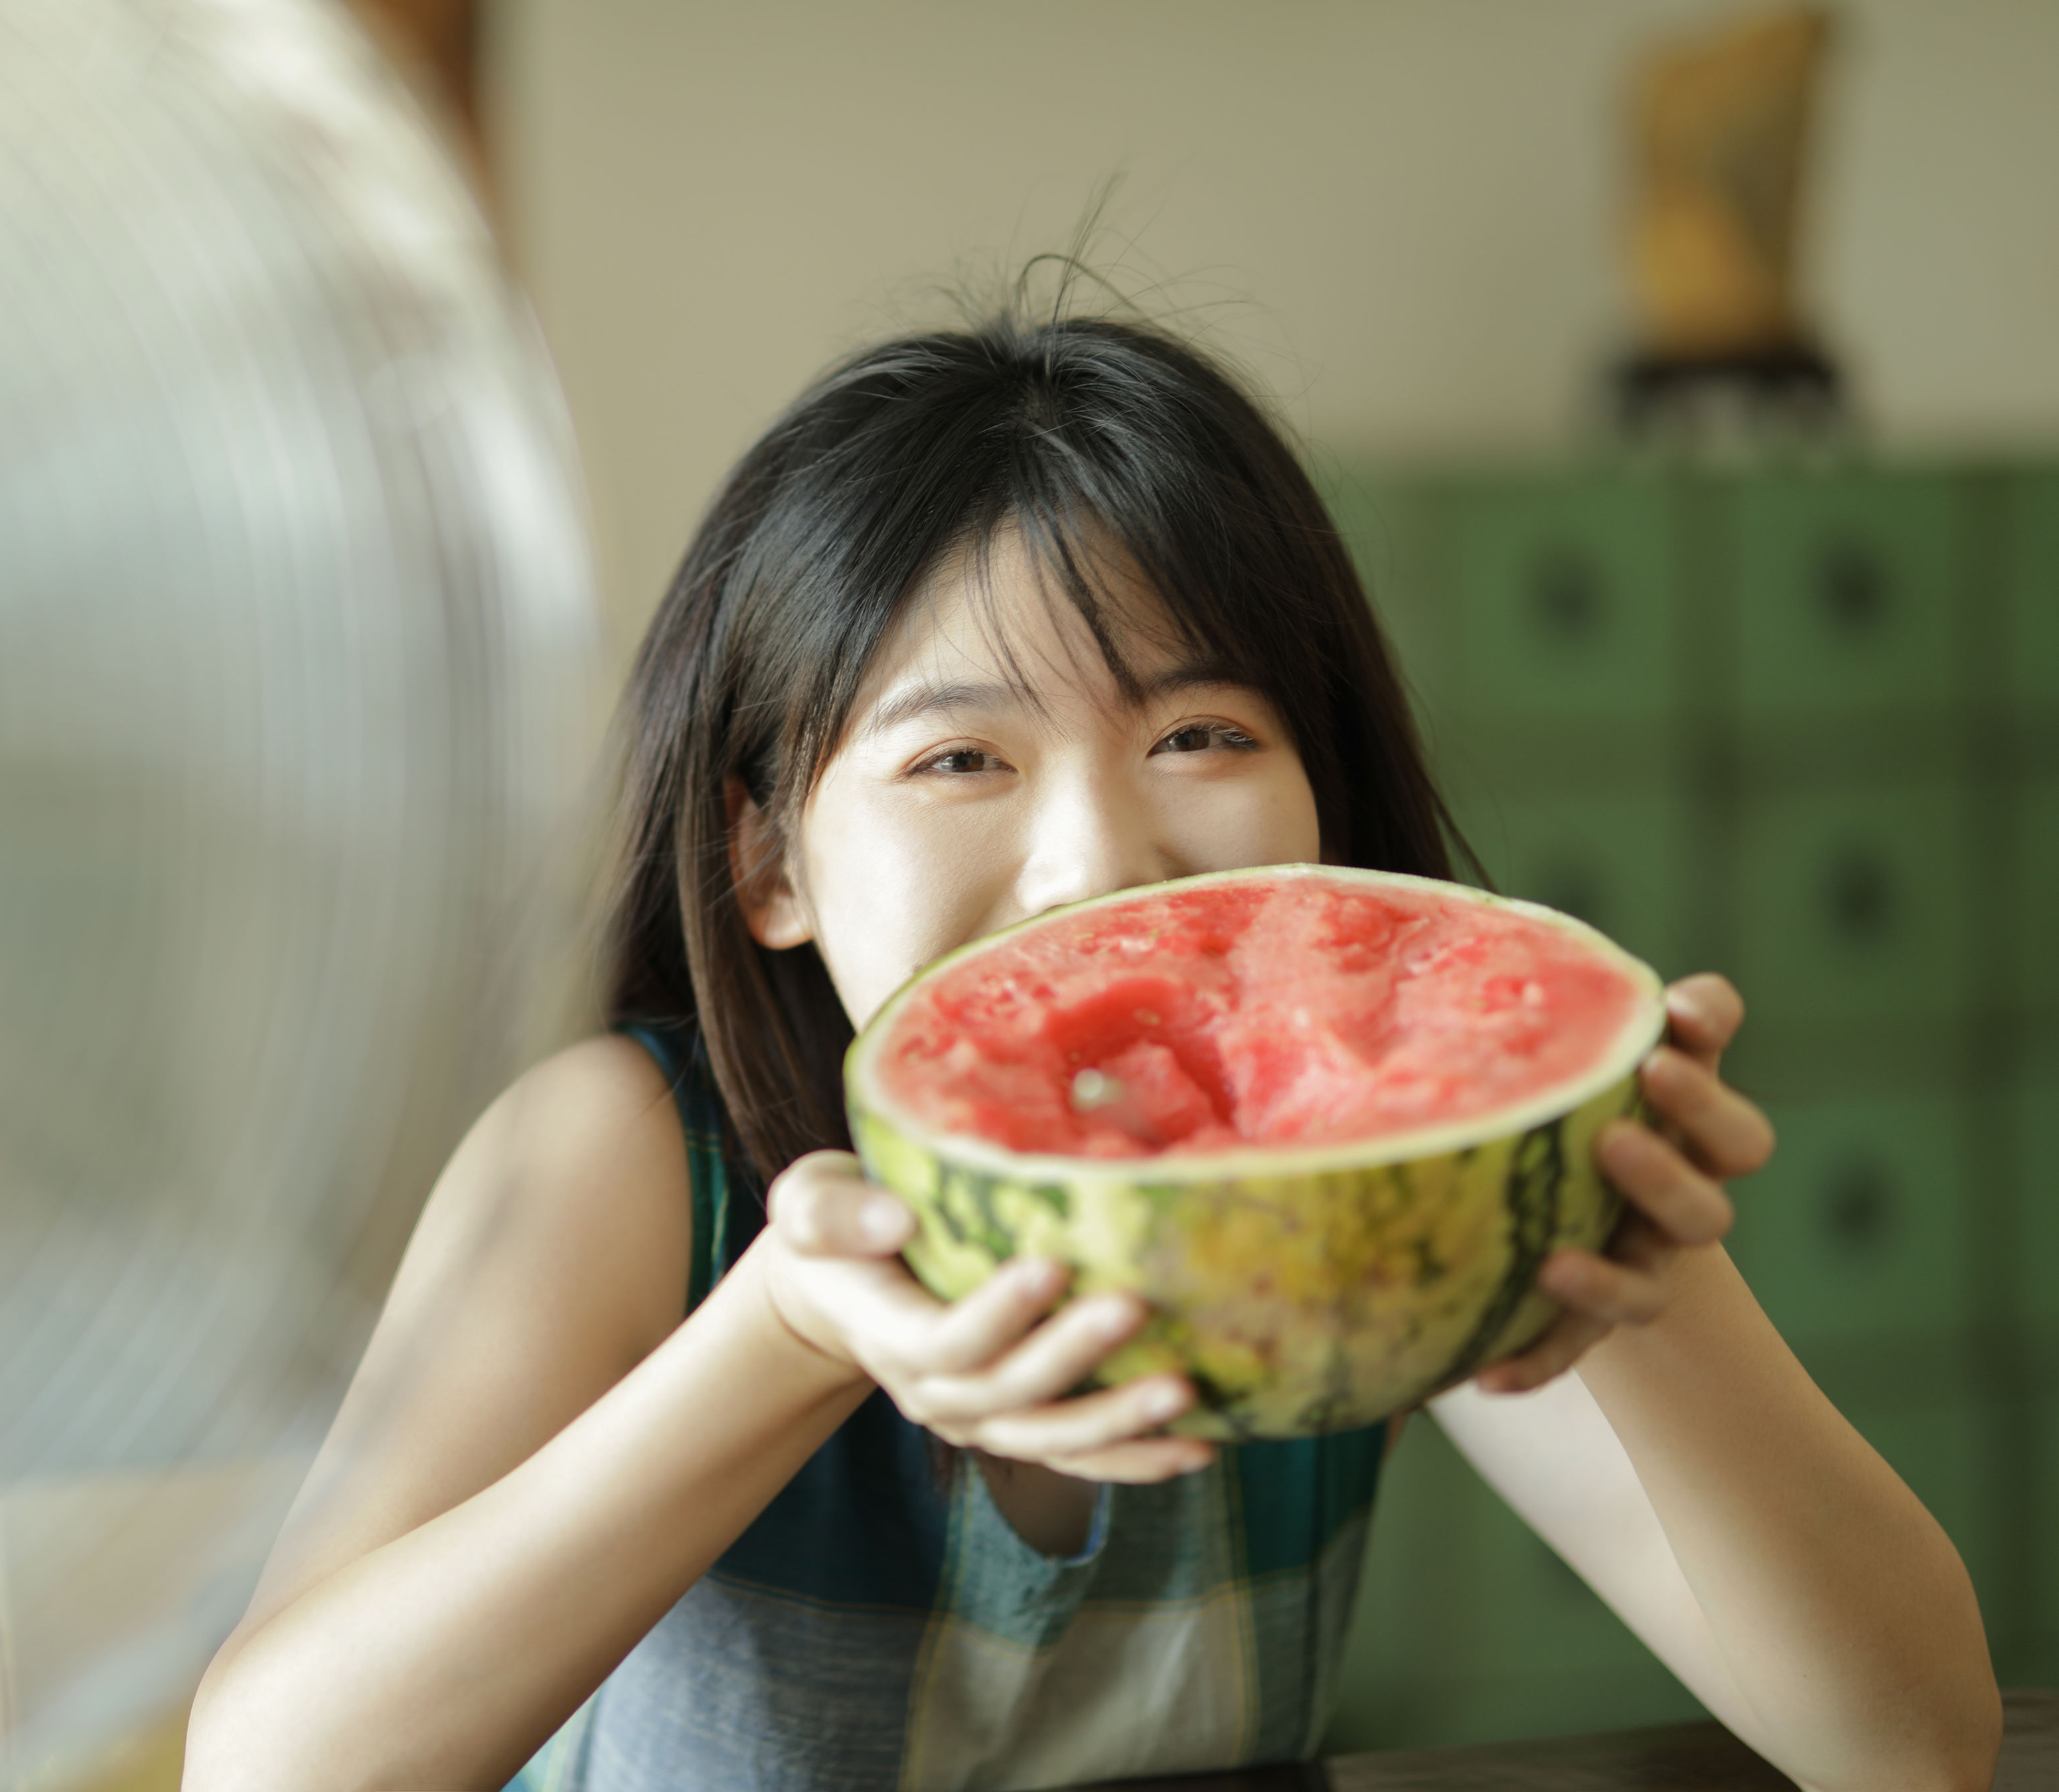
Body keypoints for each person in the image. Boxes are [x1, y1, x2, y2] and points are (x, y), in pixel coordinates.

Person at [186, 307, 1999, 1792]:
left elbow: (1911, 1742)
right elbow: (267, 1769)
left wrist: (1641, 1278)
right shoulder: (625, 1155)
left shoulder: (1354, 1193)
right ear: (766, 858)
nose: (1098, 862)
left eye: (1200, 733)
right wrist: (787, 1335)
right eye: (960, 756)